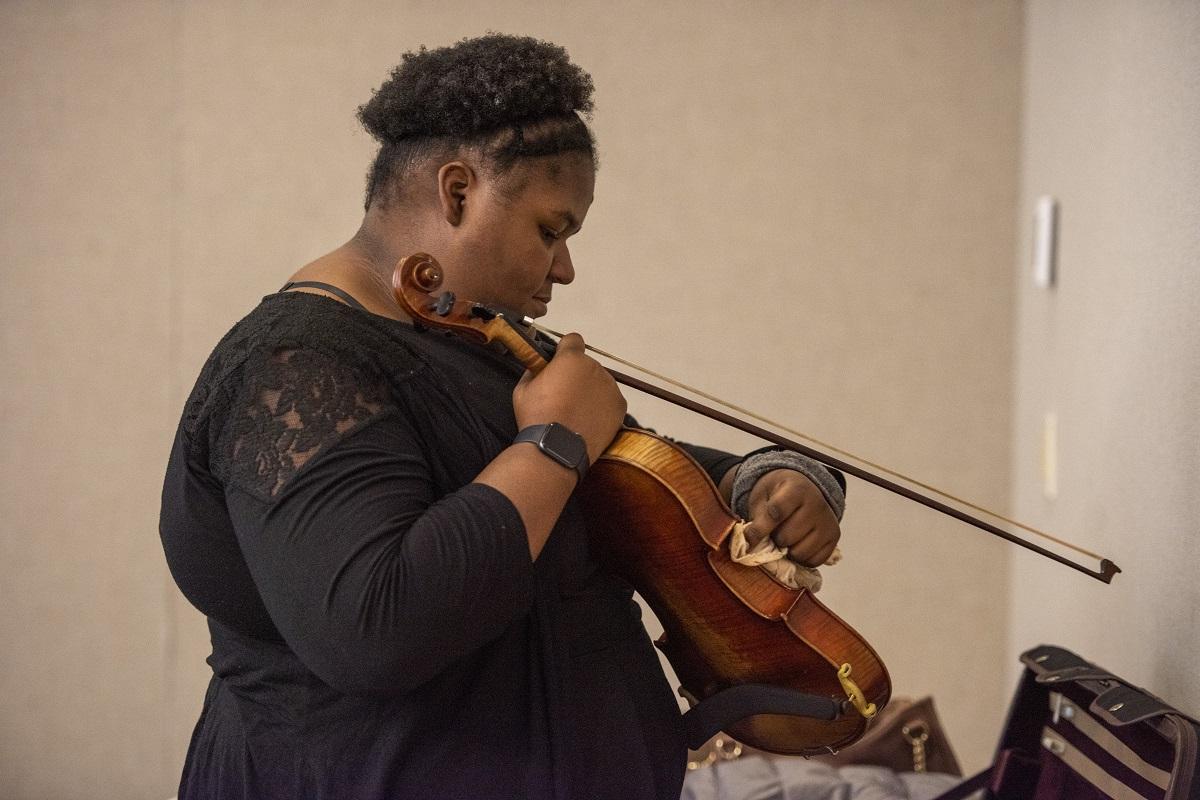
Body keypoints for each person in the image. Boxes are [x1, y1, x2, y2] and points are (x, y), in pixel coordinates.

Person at [159, 33, 845, 800]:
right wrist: (551, 443)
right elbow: (376, 629)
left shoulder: (481, 343)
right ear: (458, 192)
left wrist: (778, 479)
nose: (565, 268)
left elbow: (643, 475)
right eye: (550, 230)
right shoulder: (293, 365)